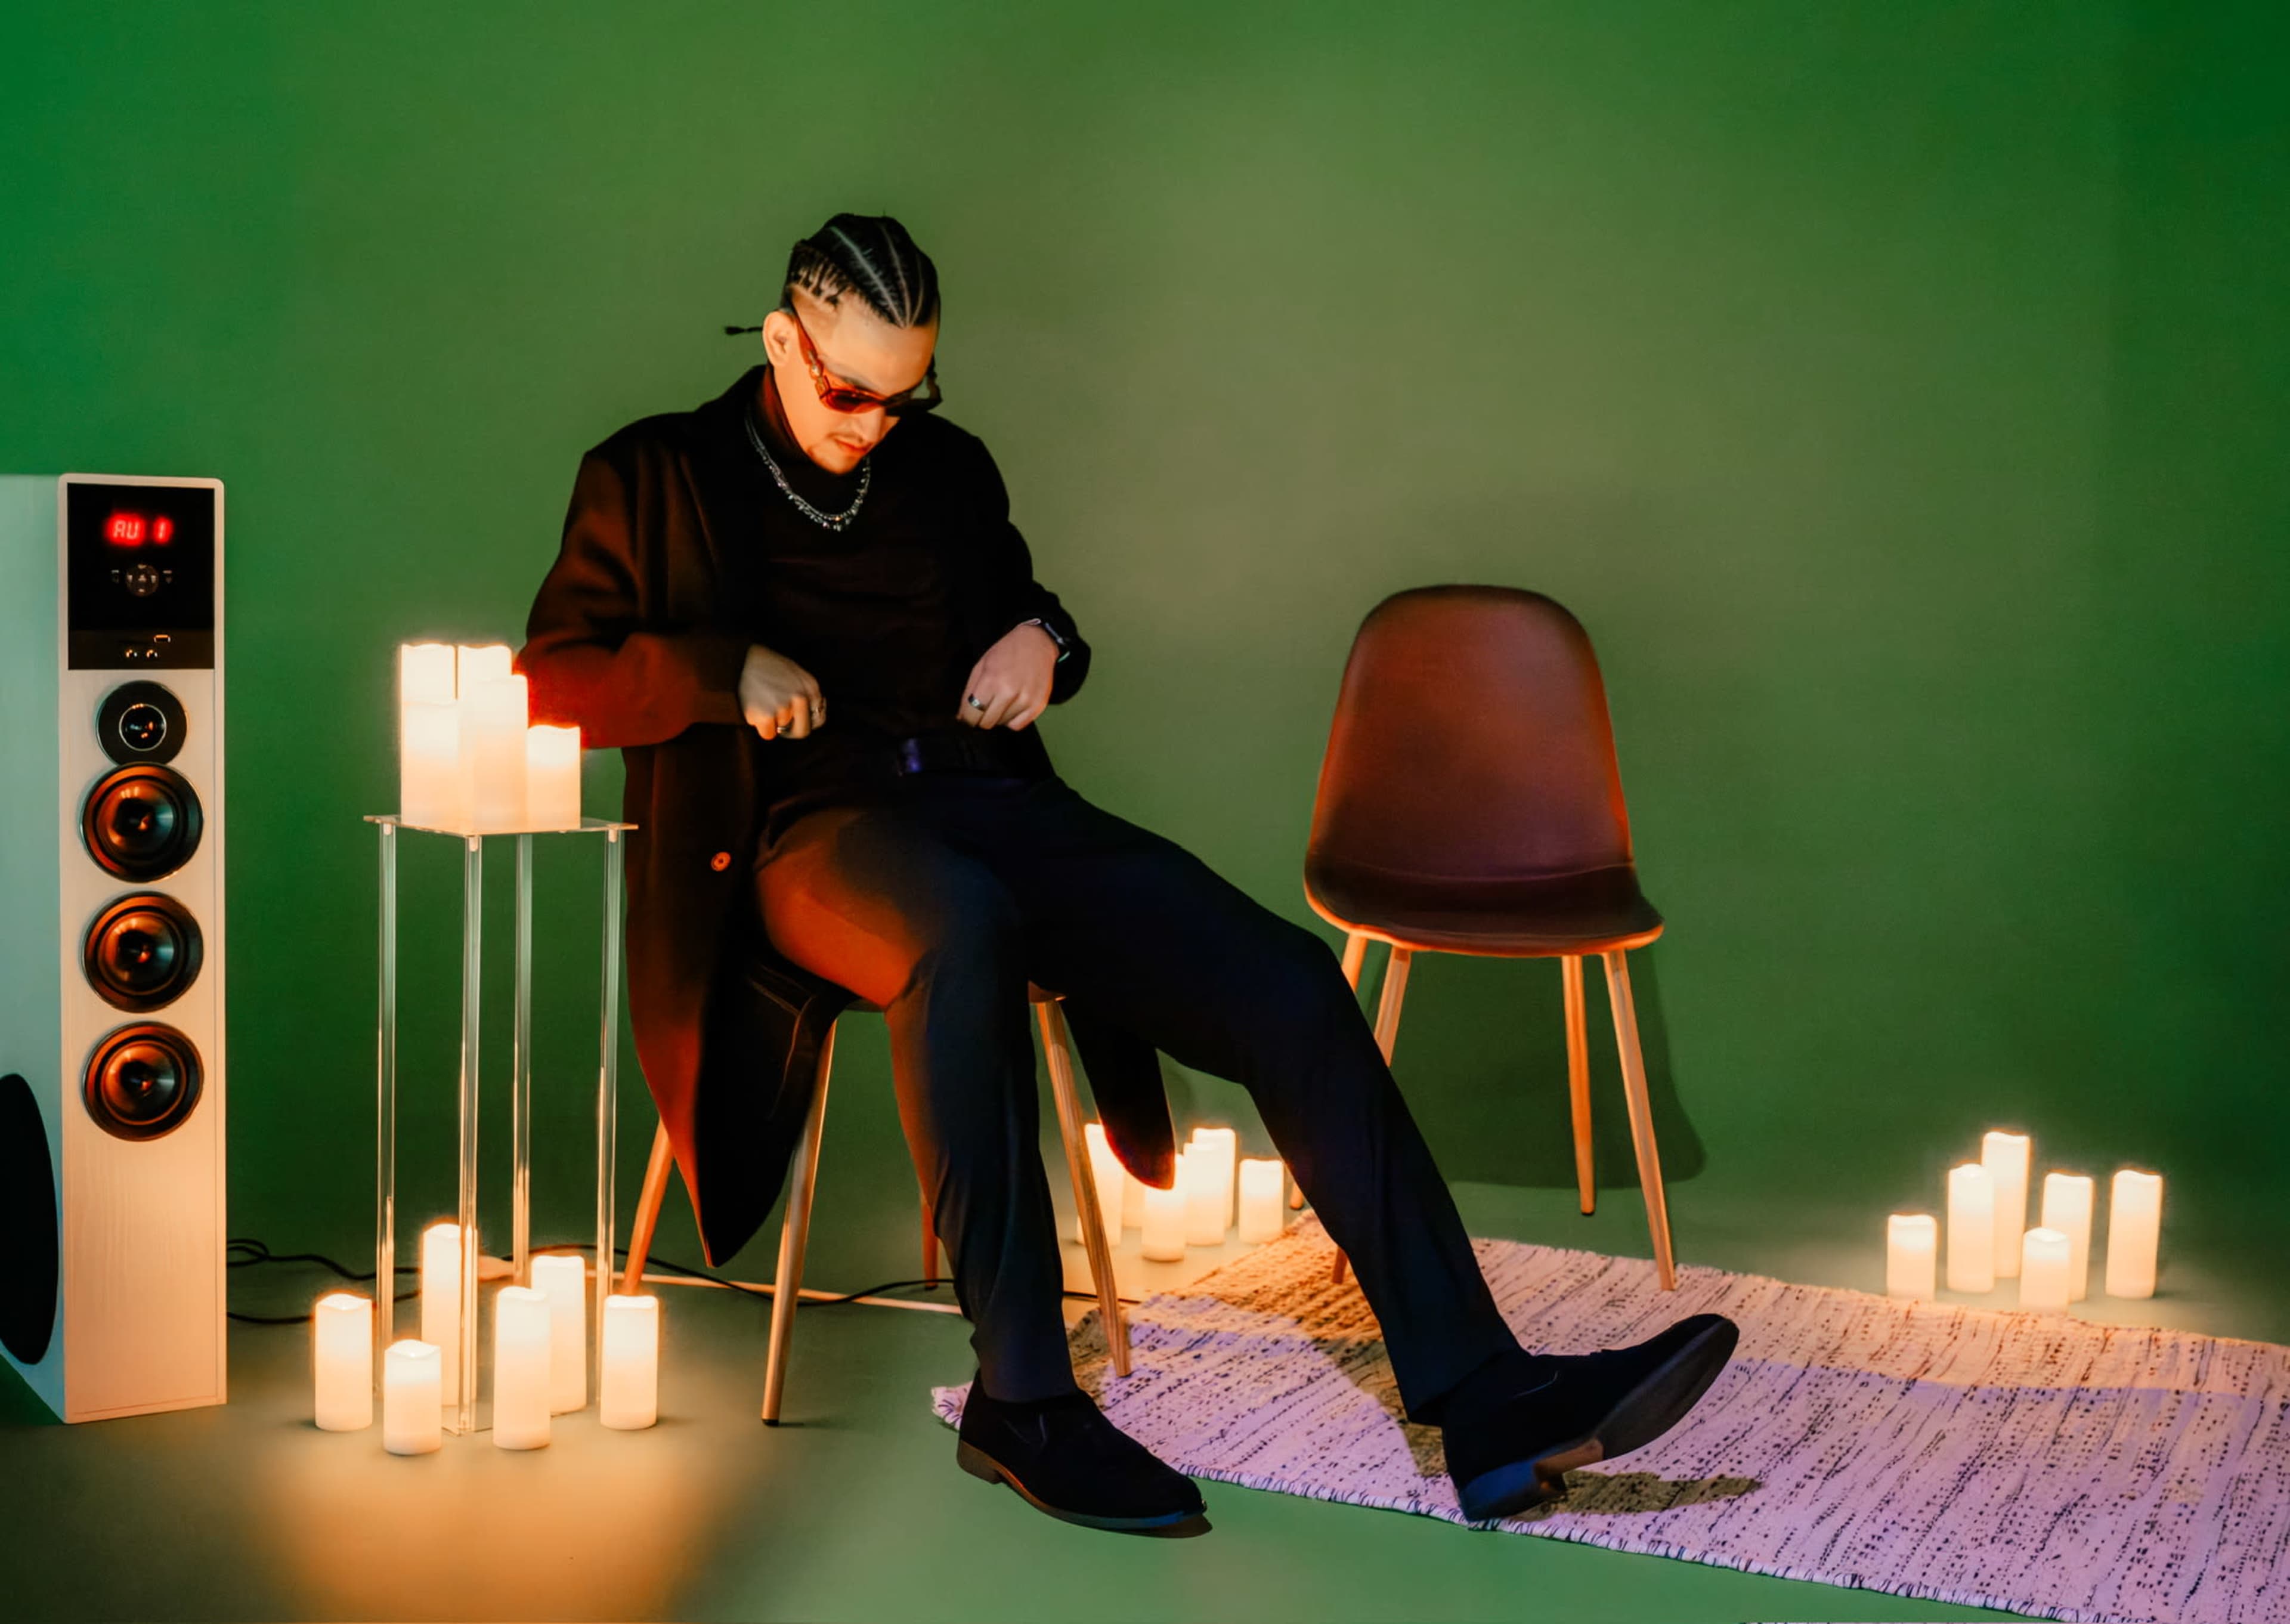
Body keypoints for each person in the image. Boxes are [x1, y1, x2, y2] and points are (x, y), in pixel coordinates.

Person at [518, 212, 1739, 1534]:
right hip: (808, 837)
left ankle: (1485, 1396)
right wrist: (719, 673)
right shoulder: (654, 472)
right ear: (782, 342)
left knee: (1280, 977)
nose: (874, 423)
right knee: (960, 924)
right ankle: (1025, 1403)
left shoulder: (946, 470)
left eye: (905, 393)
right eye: (848, 390)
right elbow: (554, 673)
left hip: (993, 804)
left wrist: (1044, 639)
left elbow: (1033, 613)